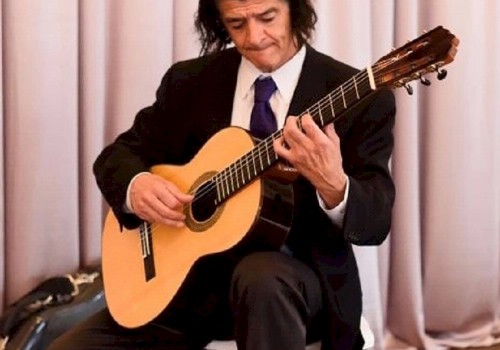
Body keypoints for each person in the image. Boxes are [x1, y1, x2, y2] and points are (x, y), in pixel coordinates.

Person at [49, 0, 396, 349]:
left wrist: (333, 183)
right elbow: (118, 156)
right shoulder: (190, 81)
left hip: (293, 284)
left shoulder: (359, 96)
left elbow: (375, 223)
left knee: (261, 277)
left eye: (267, 17)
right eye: (236, 23)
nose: (254, 37)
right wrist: (137, 186)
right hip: (186, 284)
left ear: (295, 11)